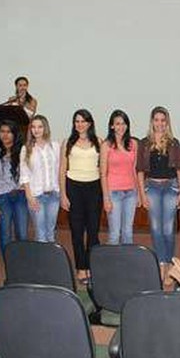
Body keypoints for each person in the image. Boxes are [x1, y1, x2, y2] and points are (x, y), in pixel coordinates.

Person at [137, 106, 180, 281]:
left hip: (171, 188)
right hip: (152, 189)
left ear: (167, 122)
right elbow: (140, 171)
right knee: (156, 228)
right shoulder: (144, 143)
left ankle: (170, 262)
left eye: (163, 120)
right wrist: (141, 194)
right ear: (152, 122)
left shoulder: (174, 142)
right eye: (156, 120)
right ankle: (161, 263)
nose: (160, 123)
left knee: (168, 228)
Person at [60, 109, 102, 283]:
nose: (80, 124)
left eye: (83, 121)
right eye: (76, 121)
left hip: (94, 188)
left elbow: (103, 168)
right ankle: (81, 268)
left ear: (89, 123)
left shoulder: (98, 142)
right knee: (77, 231)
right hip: (74, 188)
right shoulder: (67, 143)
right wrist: (63, 194)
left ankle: (91, 266)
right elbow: (62, 170)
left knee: (93, 231)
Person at [0, 120, 28, 254]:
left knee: (22, 233)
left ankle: (22, 262)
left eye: (9, 132)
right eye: (2, 131)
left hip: (20, 195)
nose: (5, 135)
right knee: (5, 234)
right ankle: (9, 265)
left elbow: (29, 174)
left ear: (14, 134)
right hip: (1, 198)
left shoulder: (23, 150)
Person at [20, 115, 60, 243]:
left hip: (54, 195)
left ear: (45, 128)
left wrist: (61, 192)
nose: (36, 130)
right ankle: (41, 261)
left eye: (40, 127)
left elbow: (59, 169)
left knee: (51, 232)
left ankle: (52, 260)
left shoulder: (55, 146)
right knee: (40, 234)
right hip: (36, 196)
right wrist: (29, 197)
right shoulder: (26, 149)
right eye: (33, 127)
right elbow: (24, 174)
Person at [100, 110, 138, 245]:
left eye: (123, 123)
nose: (121, 127)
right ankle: (113, 264)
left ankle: (127, 264)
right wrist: (106, 198)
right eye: (117, 124)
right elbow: (103, 174)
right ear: (112, 126)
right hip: (113, 193)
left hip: (131, 193)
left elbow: (135, 169)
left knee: (128, 232)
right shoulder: (106, 145)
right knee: (114, 234)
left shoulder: (133, 144)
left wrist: (138, 193)